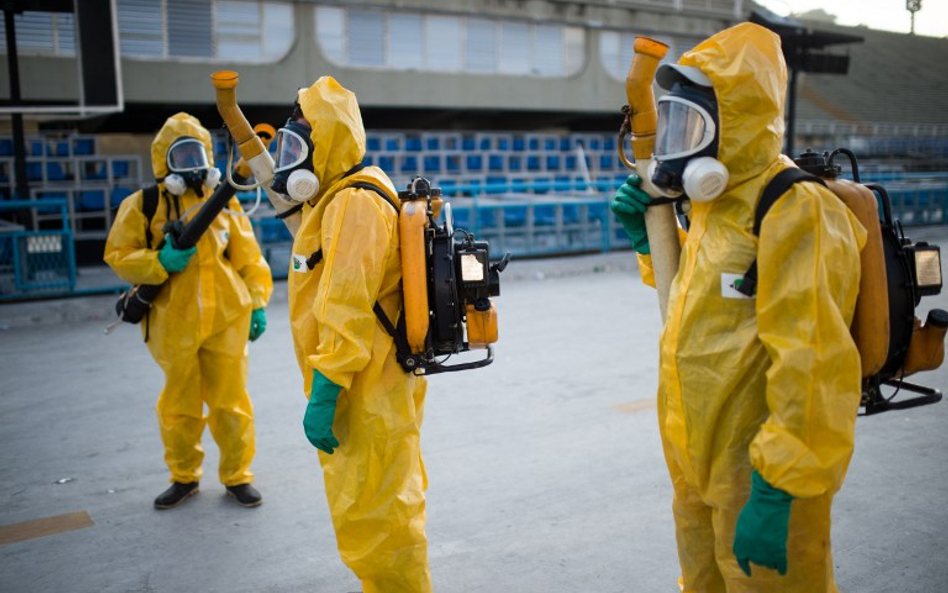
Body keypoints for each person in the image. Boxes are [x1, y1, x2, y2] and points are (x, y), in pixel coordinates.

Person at [611, 23, 866, 592]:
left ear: (738, 120)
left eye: (691, 126)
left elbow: (816, 362)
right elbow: (701, 304)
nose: (678, 145)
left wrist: (779, 489)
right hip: (695, 463)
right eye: (672, 124)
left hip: (761, 476)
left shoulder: (793, 207)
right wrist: (648, 242)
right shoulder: (715, 207)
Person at [267, 77, 431, 592]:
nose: (292, 160)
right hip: (365, 384)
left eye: (298, 147)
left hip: (365, 388)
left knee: (379, 521)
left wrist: (327, 386)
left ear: (329, 142)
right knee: (375, 512)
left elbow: (346, 306)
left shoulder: (354, 203)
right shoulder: (339, 197)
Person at [104, 112, 273, 510]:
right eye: (181, 156)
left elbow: (250, 260)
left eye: (197, 153)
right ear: (165, 162)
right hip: (171, 321)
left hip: (228, 318)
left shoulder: (223, 205)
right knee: (179, 405)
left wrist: (257, 304)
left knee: (231, 403)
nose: (192, 164)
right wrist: (158, 260)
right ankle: (184, 476)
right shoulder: (143, 204)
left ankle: (237, 476)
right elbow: (118, 254)